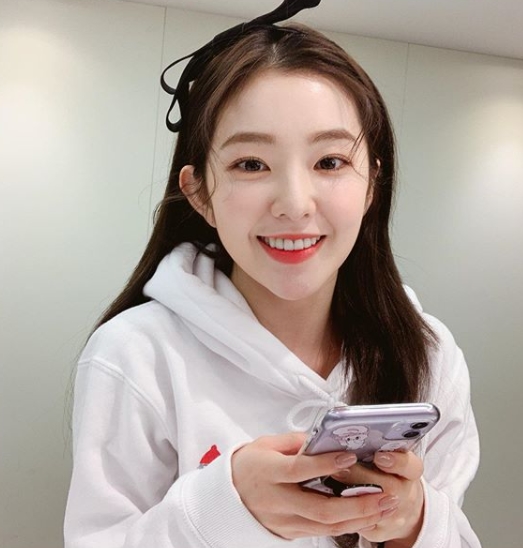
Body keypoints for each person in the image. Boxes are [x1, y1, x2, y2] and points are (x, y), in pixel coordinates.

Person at [64, 1, 481, 547]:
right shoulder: (135, 355)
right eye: (251, 164)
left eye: (329, 162)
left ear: (371, 186)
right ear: (199, 194)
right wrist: (225, 506)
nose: (294, 204)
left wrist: (414, 523)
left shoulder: (429, 354)